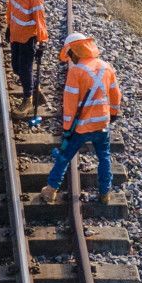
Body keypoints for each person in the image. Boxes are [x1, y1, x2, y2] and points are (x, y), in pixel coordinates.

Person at [41, 32, 121, 206]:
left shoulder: (76, 72)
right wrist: (112, 114)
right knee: (104, 157)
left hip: (81, 128)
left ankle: (51, 191)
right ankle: (105, 193)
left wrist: (67, 129)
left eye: (69, 54)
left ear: (75, 52)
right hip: (102, 124)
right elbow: (115, 94)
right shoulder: (106, 67)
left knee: (64, 156)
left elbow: (70, 104)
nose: (69, 58)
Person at [4, 0, 48, 118]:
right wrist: (9, 25)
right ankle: (35, 90)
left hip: (29, 38)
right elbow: (11, 5)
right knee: (16, 67)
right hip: (16, 34)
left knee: (25, 69)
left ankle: (28, 100)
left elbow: (40, 19)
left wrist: (42, 41)